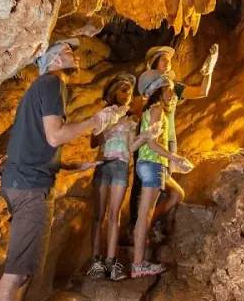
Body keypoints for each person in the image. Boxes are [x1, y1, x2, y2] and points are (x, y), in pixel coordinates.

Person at [0, 39, 126, 301]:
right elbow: (54, 134)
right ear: (52, 59)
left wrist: (75, 165)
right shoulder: (52, 83)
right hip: (29, 189)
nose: (73, 52)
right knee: (14, 275)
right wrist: (96, 119)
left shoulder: (41, 88)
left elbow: (40, 144)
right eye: (66, 49)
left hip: (23, 182)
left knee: (25, 268)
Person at [129, 44, 218, 237]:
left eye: (168, 58)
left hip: (169, 139)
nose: (167, 59)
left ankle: (147, 228)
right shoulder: (145, 87)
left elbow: (201, 92)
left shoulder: (173, 87)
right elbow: (136, 114)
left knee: (163, 182)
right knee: (141, 184)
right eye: (162, 57)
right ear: (154, 63)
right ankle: (135, 227)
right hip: (149, 138)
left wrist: (209, 70)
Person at [87, 73, 163, 281]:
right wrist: (112, 122)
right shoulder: (104, 113)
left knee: (114, 214)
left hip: (121, 165)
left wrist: (146, 135)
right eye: (123, 90)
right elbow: (94, 142)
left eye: (130, 92)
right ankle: (95, 261)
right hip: (103, 163)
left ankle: (112, 262)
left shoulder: (132, 119)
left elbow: (130, 147)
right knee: (99, 213)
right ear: (114, 92)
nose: (127, 95)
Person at [131, 70, 191, 278]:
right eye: (170, 89)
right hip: (152, 163)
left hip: (152, 164)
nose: (173, 94)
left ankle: (141, 230)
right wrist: (175, 159)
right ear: (159, 90)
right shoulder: (157, 110)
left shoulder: (152, 110)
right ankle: (138, 264)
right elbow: (153, 143)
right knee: (144, 214)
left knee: (177, 194)